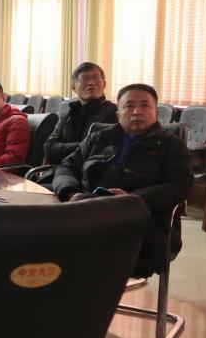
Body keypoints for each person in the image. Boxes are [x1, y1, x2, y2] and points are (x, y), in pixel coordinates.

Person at [52, 83, 193, 278]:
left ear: (156, 113)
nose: (136, 111)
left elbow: (181, 185)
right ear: (118, 114)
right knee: (39, 232)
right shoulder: (98, 138)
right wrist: (70, 192)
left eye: (144, 105)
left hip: (141, 224)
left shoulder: (171, 146)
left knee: (64, 249)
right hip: (84, 212)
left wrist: (133, 199)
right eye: (129, 106)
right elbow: (67, 167)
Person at [44, 62, 119, 165]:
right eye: (85, 78)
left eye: (96, 77)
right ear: (73, 87)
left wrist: (64, 148)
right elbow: (49, 148)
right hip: (61, 169)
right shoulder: (68, 111)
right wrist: (84, 145)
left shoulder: (114, 112)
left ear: (104, 84)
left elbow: (100, 150)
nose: (91, 83)